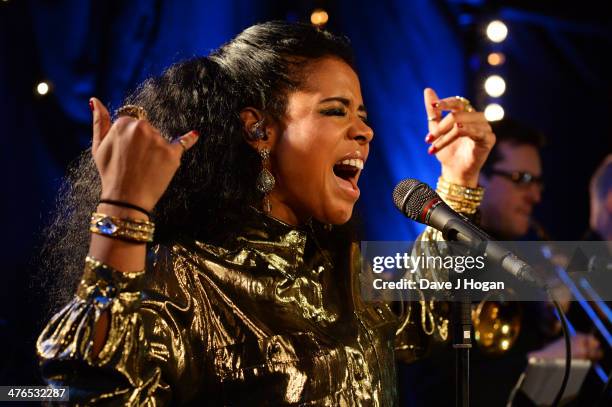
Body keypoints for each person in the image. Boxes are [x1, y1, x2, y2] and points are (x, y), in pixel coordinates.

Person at [36, 21, 495, 405]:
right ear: (259, 129)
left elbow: (433, 315)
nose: (366, 131)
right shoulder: (180, 279)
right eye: (336, 111)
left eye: (362, 113)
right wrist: (123, 207)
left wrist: (459, 177)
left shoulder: (342, 268)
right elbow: (94, 391)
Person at [399, 118, 603, 406]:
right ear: (479, 174)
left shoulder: (525, 251)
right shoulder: (437, 261)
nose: (535, 196)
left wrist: (550, 322)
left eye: (539, 183)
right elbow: (430, 386)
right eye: (522, 179)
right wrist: (538, 363)